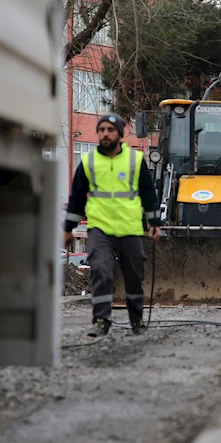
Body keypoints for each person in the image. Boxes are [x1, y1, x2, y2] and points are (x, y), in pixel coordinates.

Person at [62, 114, 161, 337]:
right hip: (100, 227)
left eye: (110, 130)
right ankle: (101, 321)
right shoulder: (88, 162)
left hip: (130, 228)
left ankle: (136, 321)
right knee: (101, 271)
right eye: (101, 130)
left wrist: (155, 223)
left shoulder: (135, 160)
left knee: (134, 276)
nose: (105, 134)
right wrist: (68, 228)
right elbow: (77, 198)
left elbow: (149, 194)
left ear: (119, 134)